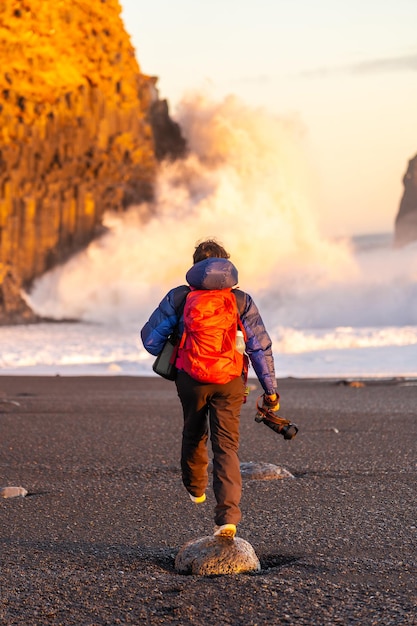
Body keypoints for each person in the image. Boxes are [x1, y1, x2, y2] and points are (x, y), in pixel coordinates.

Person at [141, 239, 279, 539]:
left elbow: (150, 341)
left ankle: (195, 488)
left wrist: (180, 342)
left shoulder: (179, 297)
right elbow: (259, 348)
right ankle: (228, 518)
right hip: (230, 381)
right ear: (226, 265)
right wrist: (270, 391)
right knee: (227, 446)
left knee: (194, 430)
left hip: (190, 379)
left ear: (195, 266)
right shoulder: (241, 300)